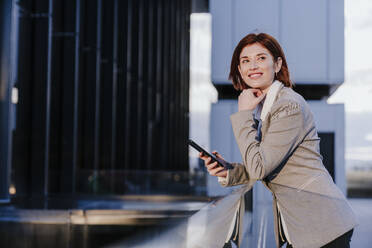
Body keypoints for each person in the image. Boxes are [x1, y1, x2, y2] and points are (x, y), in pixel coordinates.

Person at [200, 33, 358, 248]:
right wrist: (228, 171)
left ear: (277, 64)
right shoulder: (268, 108)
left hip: (322, 225)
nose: (253, 66)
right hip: (303, 227)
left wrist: (243, 114)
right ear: (239, 70)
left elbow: (260, 168)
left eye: (261, 58)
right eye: (245, 61)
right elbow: (270, 164)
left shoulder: (288, 106)